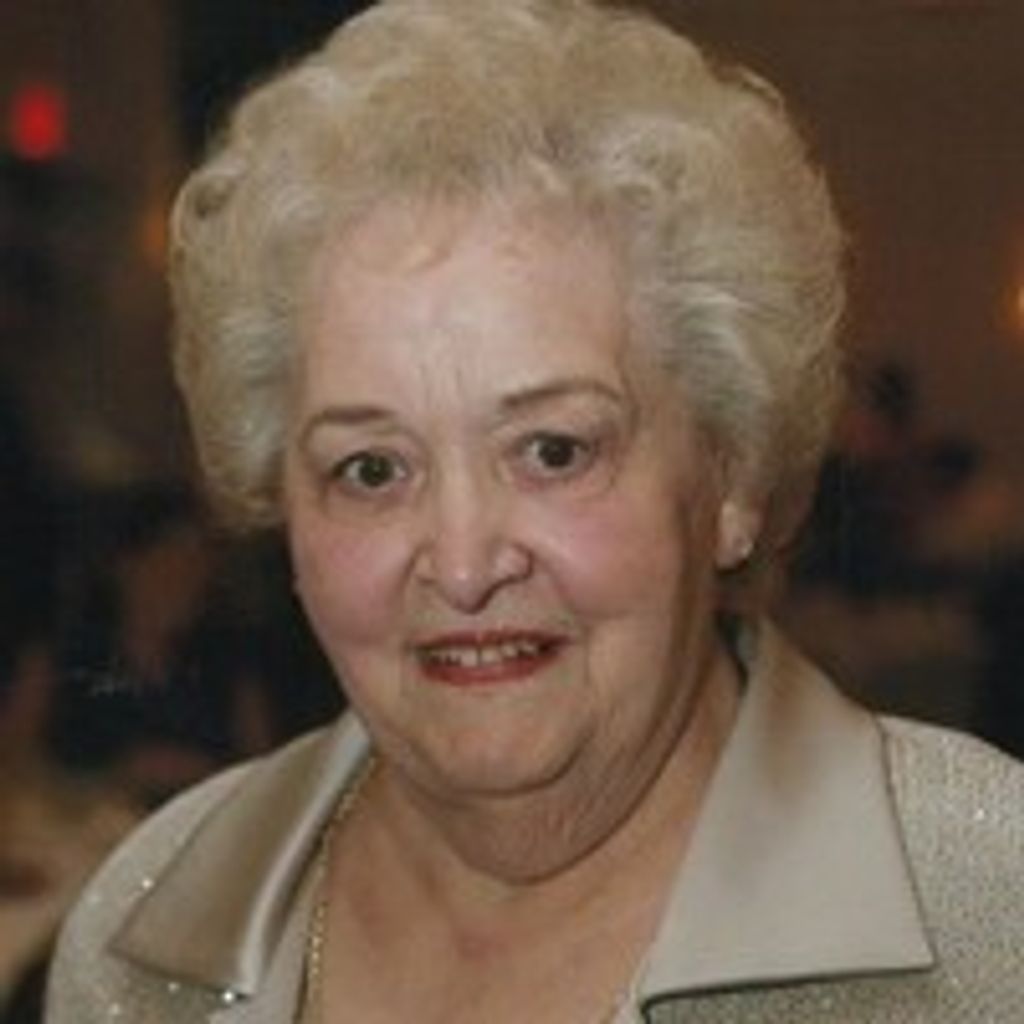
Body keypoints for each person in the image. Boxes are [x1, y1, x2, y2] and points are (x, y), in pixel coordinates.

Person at [47, 1, 1023, 1021]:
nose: (463, 564)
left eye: (553, 451)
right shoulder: (144, 941)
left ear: (732, 474)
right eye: (372, 470)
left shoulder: (988, 915)